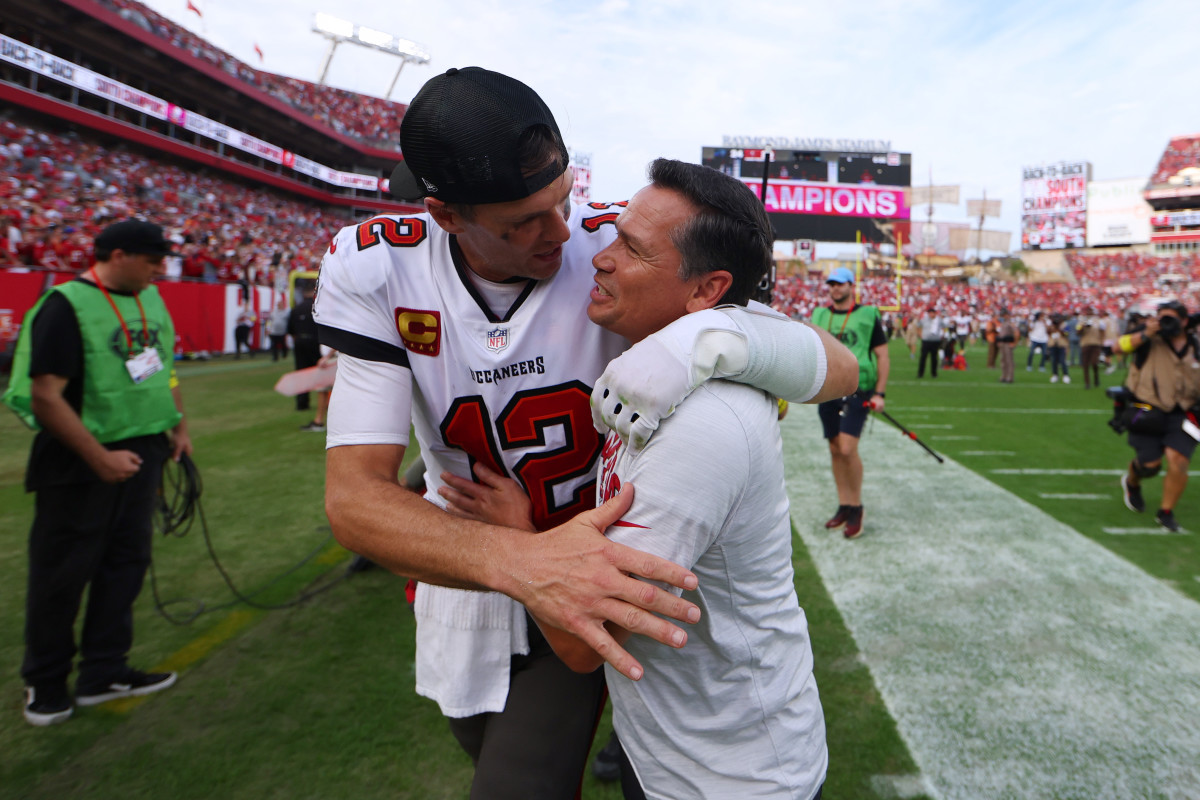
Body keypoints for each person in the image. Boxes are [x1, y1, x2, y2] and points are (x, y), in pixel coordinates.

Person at [313, 67, 856, 799]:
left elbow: (836, 368)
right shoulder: (379, 268)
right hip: (476, 558)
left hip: (606, 558)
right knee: (498, 745)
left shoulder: (623, 242)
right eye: (522, 223)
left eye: (563, 199)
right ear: (444, 215)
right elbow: (355, 501)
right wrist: (526, 555)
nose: (565, 233)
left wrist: (711, 339)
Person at [443, 158, 829, 800]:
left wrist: (518, 535)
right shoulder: (649, 372)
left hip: (735, 779)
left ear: (708, 293)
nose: (599, 257)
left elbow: (586, 644)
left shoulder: (702, 423)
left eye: (632, 249)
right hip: (672, 755)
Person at [2, 219, 190, 726]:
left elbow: (163, 366)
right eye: (152, 261)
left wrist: (178, 425)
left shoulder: (150, 299)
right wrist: (99, 458)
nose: (159, 271)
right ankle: (45, 683)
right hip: (79, 461)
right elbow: (45, 395)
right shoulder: (65, 305)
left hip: (144, 447)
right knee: (62, 574)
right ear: (118, 254)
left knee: (125, 564)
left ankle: (103, 671)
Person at [811, 266, 890, 539]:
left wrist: (879, 393)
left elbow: (882, 356)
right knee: (834, 449)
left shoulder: (867, 315)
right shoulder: (819, 315)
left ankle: (856, 507)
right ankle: (844, 504)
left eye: (840, 284)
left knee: (847, 447)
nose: (835, 288)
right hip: (828, 389)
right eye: (832, 283)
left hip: (858, 390)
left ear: (851, 286)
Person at [1116, 300, 1200, 532]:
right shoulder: (1146, 337)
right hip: (1147, 410)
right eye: (1161, 318)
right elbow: (1118, 347)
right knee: (1150, 466)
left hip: (1184, 413)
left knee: (1179, 460)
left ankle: (1165, 512)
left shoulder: (1195, 344)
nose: (1165, 323)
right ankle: (1133, 481)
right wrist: (1145, 333)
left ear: (1184, 321)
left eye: (1171, 318)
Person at [287, 284, 319, 413]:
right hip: (315, 342)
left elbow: (290, 329)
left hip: (300, 341)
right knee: (320, 371)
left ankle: (302, 402)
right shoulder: (317, 307)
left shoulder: (296, 309)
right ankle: (326, 400)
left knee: (301, 372)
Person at [916, 306, 942, 378]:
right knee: (923, 357)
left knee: (934, 358)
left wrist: (942, 334)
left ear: (935, 314)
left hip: (935, 341)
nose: (930, 314)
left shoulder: (938, 320)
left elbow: (944, 326)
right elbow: (918, 325)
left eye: (932, 313)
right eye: (929, 313)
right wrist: (920, 334)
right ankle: (920, 373)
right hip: (926, 341)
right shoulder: (924, 320)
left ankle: (934, 373)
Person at [996, 311, 1017, 383]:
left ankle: (1010, 377)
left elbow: (1016, 333)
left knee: (1009, 360)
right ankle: (1004, 376)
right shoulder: (1003, 323)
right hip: (1002, 343)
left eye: (1004, 315)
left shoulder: (1010, 323)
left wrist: (1014, 343)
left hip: (1008, 343)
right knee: (1003, 360)